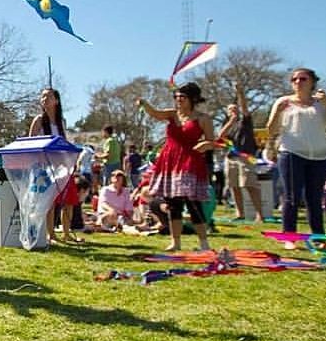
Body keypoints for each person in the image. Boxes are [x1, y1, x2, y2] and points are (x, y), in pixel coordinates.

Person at [136, 83, 215, 252]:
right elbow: (155, 113)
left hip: (190, 162)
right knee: (173, 204)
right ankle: (175, 242)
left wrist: (204, 146)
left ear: (192, 99)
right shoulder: (172, 115)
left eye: (182, 97)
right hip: (169, 161)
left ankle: (204, 243)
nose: (178, 100)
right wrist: (144, 102)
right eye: (176, 96)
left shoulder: (203, 118)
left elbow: (212, 141)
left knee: (193, 203)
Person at [265, 67, 326, 247]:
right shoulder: (283, 102)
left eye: (303, 79)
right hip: (292, 152)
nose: (298, 82)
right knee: (292, 195)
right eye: (295, 79)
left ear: (313, 82)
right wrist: (277, 113)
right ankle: (289, 236)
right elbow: (271, 129)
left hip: (319, 155)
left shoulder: (320, 103)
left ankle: (319, 236)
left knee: (314, 197)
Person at [28, 87, 82, 244]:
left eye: (48, 96)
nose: (44, 99)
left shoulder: (61, 122)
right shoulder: (38, 120)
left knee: (69, 201)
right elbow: (30, 142)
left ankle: (66, 233)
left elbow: (66, 143)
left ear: (56, 101)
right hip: (45, 167)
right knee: (50, 202)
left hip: (63, 166)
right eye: (42, 96)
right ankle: (50, 235)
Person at [218, 81, 263, 222]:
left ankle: (259, 215)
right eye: (230, 110)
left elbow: (244, 107)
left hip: (246, 156)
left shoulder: (245, 121)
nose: (233, 111)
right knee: (234, 186)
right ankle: (240, 213)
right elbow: (221, 136)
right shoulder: (229, 124)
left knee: (249, 185)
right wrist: (231, 120)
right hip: (231, 158)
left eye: (234, 109)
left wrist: (240, 92)